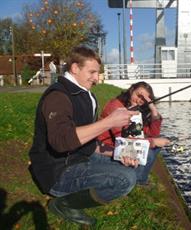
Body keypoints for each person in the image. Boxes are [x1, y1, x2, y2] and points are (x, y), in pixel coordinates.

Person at [28, 46, 140, 226]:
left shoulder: (89, 96)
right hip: (57, 173)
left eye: (98, 72)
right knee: (125, 179)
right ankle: (63, 205)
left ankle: (76, 195)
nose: (96, 78)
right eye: (92, 72)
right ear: (75, 68)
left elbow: (89, 142)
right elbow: (62, 142)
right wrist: (109, 122)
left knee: (133, 166)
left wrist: (119, 153)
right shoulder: (58, 96)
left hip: (79, 159)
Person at [97, 81, 170, 185]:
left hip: (121, 146)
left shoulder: (135, 110)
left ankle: (140, 179)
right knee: (149, 151)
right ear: (131, 90)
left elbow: (153, 133)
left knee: (155, 147)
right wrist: (153, 142)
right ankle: (138, 181)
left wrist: (153, 109)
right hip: (107, 151)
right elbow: (124, 140)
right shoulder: (115, 106)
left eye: (144, 99)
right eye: (138, 95)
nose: (139, 100)